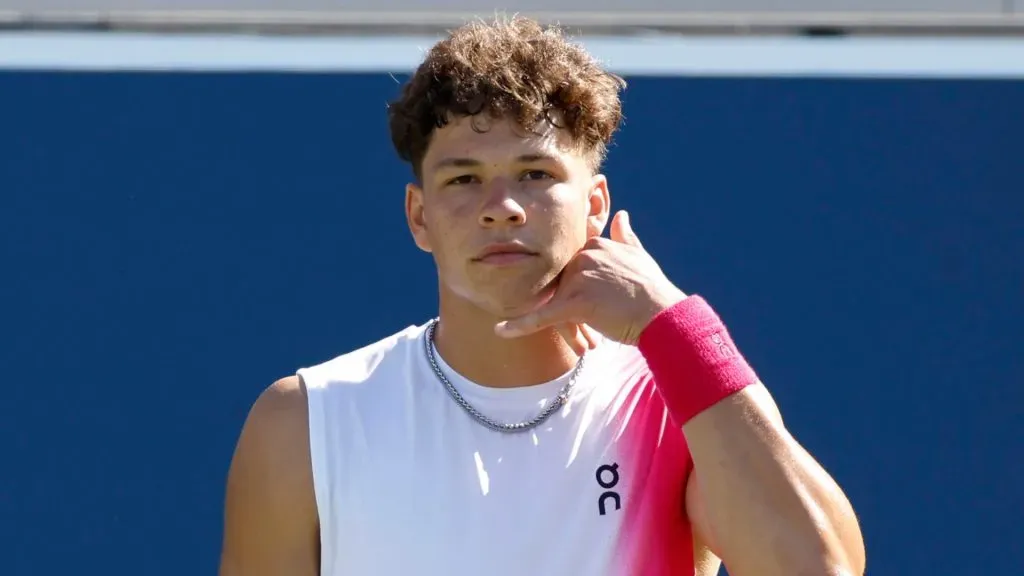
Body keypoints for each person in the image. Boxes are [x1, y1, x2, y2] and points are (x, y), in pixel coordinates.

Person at [218, 16, 865, 576]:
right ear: (419, 217)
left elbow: (821, 566)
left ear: (595, 205)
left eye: (535, 174)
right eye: (464, 179)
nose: (501, 208)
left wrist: (673, 326)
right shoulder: (306, 420)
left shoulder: (676, 402)